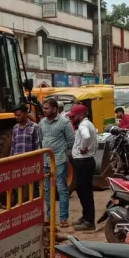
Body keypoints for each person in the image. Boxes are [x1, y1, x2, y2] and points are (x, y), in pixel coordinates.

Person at [39, 97, 75, 229]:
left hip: (59, 160)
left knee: (62, 189)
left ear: (55, 109)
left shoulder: (64, 122)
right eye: (44, 108)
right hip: (45, 161)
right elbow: (41, 139)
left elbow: (71, 141)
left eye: (47, 108)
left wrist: (62, 151)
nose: (44, 110)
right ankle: (49, 216)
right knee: (47, 190)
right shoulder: (42, 123)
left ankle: (63, 218)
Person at [70, 104, 97, 231]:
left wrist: (82, 148)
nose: (72, 118)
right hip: (85, 161)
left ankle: (89, 221)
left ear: (80, 115)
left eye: (73, 116)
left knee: (85, 192)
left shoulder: (83, 125)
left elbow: (86, 137)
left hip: (84, 161)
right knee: (82, 191)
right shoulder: (87, 124)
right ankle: (86, 216)